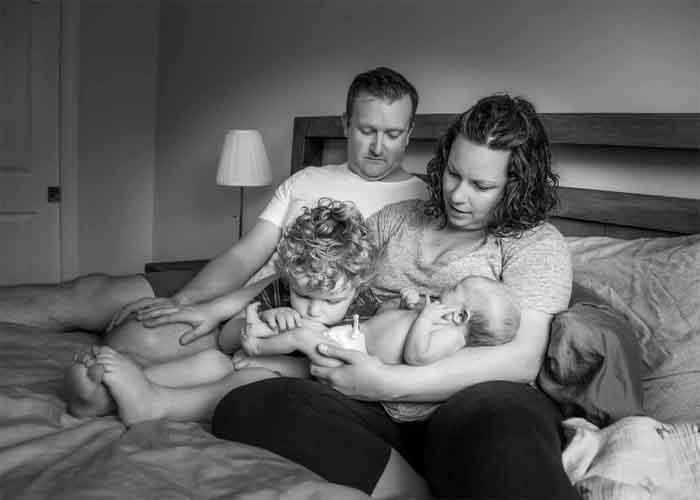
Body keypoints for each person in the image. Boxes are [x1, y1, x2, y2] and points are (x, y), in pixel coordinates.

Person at [211, 94, 580, 499]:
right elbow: (320, 272)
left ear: (517, 186)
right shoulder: (398, 218)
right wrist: (215, 307)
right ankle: (407, 487)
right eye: (453, 174)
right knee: (243, 405)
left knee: (508, 429)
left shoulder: (535, 244)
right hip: (362, 401)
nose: (458, 195)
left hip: (469, 403)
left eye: (481, 186)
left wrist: (388, 382)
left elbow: (521, 359)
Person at [0, 66, 428, 348]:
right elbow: (246, 255)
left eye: (392, 134)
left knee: (134, 336)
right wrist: (186, 298)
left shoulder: (422, 203)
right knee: (87, 291)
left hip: (274, 306)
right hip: (224, 285)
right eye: (366, 129)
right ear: (345, 124)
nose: (376, 146)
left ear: (408, 134)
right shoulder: (307, 180)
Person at [241, 275, 521, 422]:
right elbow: (398, 324)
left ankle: (257, 345)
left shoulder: (450, 338)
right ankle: (268, 356)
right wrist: (408, 305)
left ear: (461, 316)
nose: (449, 286)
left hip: (353, 356)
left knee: (302, 336)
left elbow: (416, 355)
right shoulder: (438, 317)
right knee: (307, 337)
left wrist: (423, 318)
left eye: (457, 287)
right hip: (353, 336)